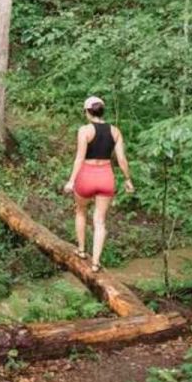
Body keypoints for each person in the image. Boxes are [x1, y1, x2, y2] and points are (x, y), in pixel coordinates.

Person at [62, 96, 133, 272]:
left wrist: (71, 180)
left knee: (80, 211)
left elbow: (79, 158)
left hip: (87, 175)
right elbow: (121, 159)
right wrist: (128, 179)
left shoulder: (84, 130)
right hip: (105, 177)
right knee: (99, 221)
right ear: (102, 111)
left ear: (87, 112)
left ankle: (81, 250)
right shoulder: (115, 131)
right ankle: (96, 262)